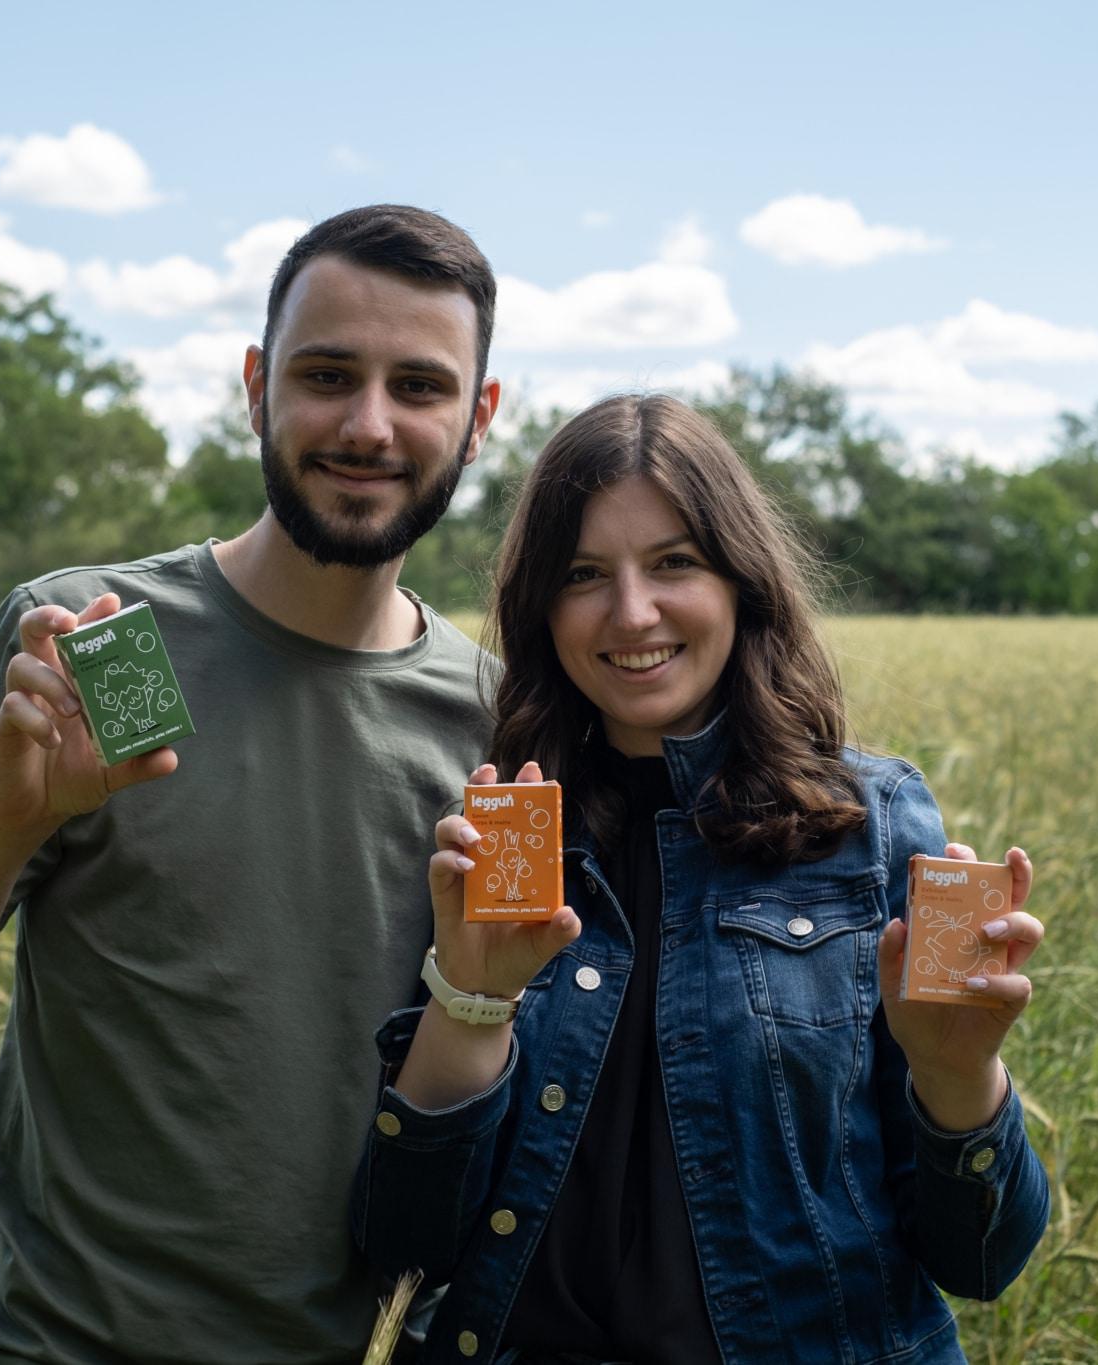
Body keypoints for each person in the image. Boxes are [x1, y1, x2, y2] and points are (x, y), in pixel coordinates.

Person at [0, 205, 504, 1363]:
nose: (368, 424)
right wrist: (5, 824)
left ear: (479, 419)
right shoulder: (102, 642)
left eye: (420, 387)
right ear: (255, 386)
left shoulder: (490, 721)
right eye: (326, 374)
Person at [353, 395, 1051, 1363]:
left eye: (674, 563)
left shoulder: (871, 827)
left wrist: (955, 1072)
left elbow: (981, 1259)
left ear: (739, 581)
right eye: (582, 574)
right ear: (540, 608)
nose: (631, 612)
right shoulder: (502, 834)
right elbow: (403, 1249)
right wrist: (470, 1000)